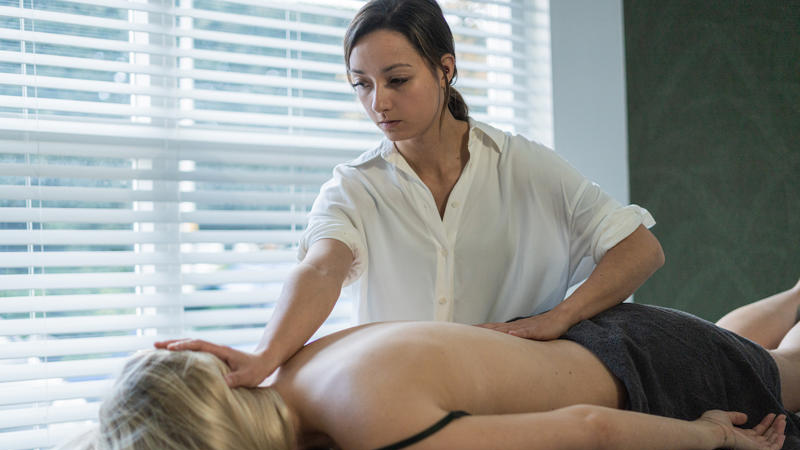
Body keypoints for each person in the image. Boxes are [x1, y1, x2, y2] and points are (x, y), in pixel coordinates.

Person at [155, 0, 664, 388]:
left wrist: (558, 319)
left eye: (397, 80)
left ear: (445, 69)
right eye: (361, 84)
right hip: (396, 394)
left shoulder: (523, 166)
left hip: (509, 392)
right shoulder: (354, 186)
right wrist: (265, 356)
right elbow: (323, 268)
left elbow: (640, 249)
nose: (379, 102)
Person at [50, 280, 800, 450]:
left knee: (773, 375)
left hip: (648, 375)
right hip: (619, 334)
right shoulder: (301, 360)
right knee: (741, 352)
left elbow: (589, 431)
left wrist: (710, 434)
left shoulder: (376, 436)